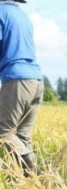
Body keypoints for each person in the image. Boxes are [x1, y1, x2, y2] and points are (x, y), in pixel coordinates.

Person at [0, 0, 43, 173]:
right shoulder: (22, 15)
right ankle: (34, 186)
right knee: (22, 137)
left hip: (17, 80)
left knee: (3, 133)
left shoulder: (1, 12)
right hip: (36, 80)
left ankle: (36, 172)